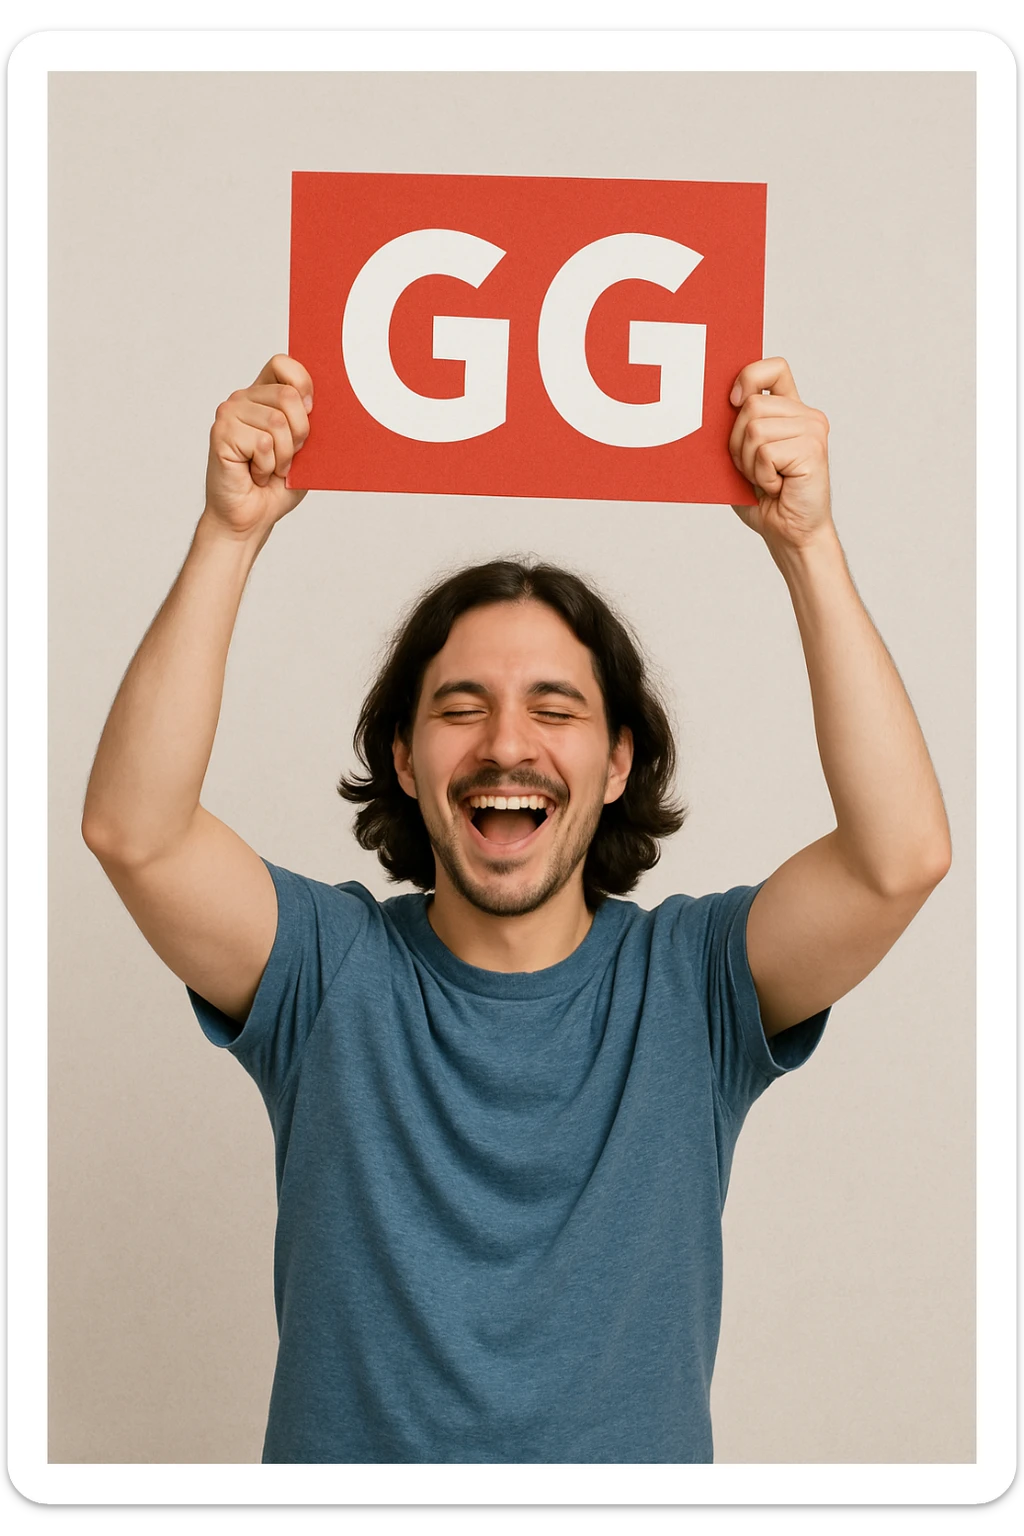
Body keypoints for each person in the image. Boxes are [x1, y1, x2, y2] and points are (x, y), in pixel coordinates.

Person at [81, 353, 951, 1464]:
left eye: (556, 709)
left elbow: (899, 861)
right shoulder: (325, 971)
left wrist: (806, 546)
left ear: (616, 761)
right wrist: (230, 533)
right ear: (402, 757)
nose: (506, 744)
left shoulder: (691, 987)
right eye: (460, 707)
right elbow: (134, 832)